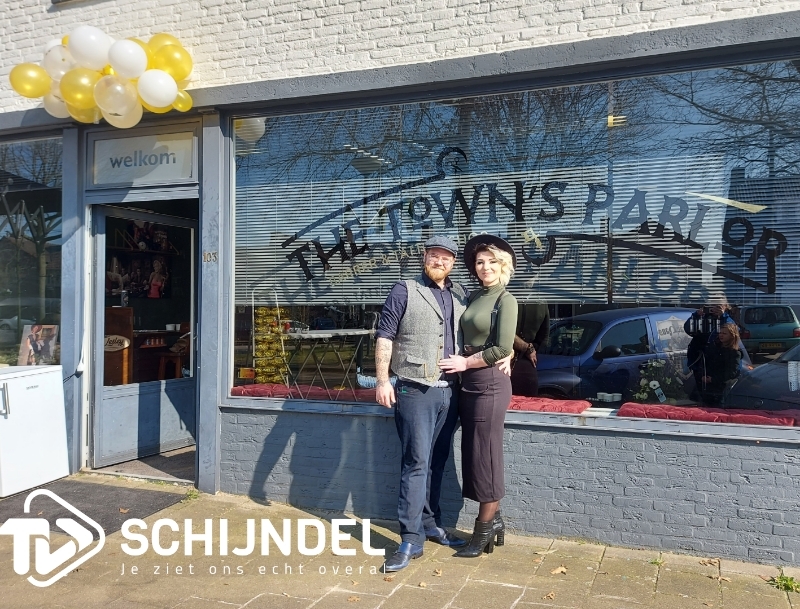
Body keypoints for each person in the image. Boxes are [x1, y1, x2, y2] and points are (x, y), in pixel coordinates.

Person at [374, 235, 511, 572]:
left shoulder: (462, 293)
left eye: (446, 257)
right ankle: (410, 538)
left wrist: (509, 353)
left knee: (437, 462)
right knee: (416, 463)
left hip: (451, 392)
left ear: (452, 263)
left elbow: (492, 330)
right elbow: (385, 336)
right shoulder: (404, 289)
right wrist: (382, 380)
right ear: (425, 257)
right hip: (415, 390)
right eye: (434, 255)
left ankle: (431, 524)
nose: (439, 261)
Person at [439, 235, 518, 558]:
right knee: (473, 453)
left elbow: (501, 346)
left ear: (503, 266)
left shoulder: (506, 299)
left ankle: (482, 531)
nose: (485, 267)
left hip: (489, 383)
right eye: (480, 262)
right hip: (469, 382)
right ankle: (495, 521)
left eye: (492, 262)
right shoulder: (474, 296)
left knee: (486, 454)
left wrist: (466, 362)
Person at [684, 293, 736, 402]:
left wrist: (722, 316)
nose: (714, 309)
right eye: (712, 305)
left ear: (725, 306)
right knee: (701, 397)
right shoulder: (704, 318)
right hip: (699, 363)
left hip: (717, 365)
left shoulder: (727, 320)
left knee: (717, 398)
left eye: (718, 306)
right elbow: (689, 330)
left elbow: (733, 334)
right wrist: (696, 315)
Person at [510, 302, 550, 397]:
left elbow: (504, 331)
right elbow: (544, 337)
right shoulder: (541, 301)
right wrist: (532, 350)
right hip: (528, 361)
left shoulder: (507, 298)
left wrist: (528, 348)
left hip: (507, 359)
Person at [697, 323, 742, 404]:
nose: (721, 335)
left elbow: (731, 373)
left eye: (724, 333)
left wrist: (713, 379)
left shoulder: (734, 353)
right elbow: (705, 363)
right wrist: (702, 375)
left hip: (722, 389)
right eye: (720, 333)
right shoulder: (714, 347)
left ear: (732, 336)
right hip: (708, 387)